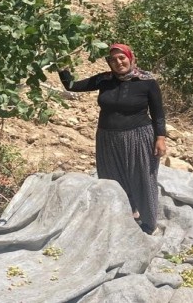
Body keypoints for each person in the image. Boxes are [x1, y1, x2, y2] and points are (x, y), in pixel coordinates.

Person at [59, 43, 167, 234]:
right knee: (112, 179)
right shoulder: (104, 80)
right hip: (107, 138)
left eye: (121, 58)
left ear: (130, 57)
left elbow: (158, 113)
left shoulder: (146, 81)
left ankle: (150, 225)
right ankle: (123, 217)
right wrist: (61, 63)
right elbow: (72, 85)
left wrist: (160, 137)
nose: (118, 63)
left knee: (142, 178)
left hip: (138, 137)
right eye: (113, 60)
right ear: (109, 63)